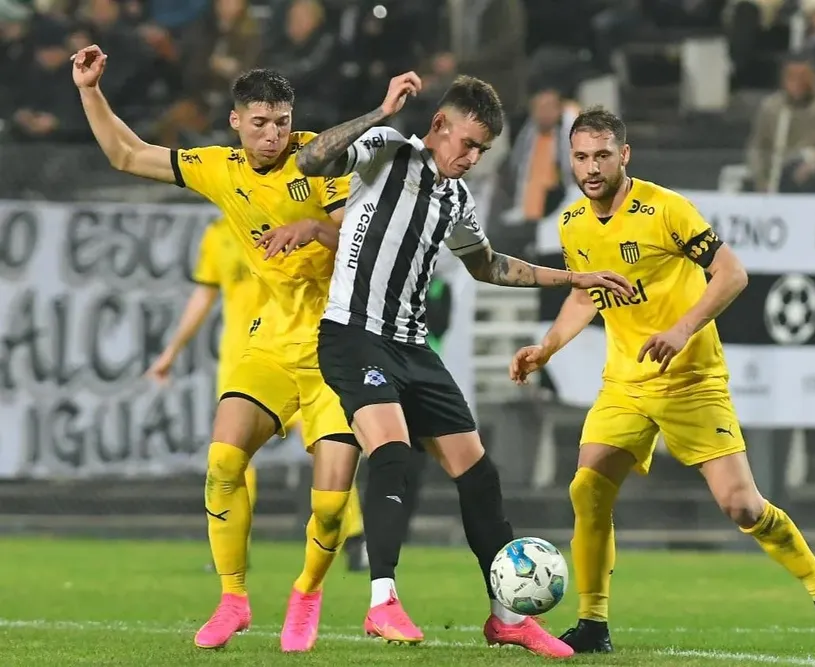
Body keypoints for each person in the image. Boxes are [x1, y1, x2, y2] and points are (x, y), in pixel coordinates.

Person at [258, 72, 631, 658]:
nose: (472, 156)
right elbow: (308, 160)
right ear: (439, 126)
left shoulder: (457, 199)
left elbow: (486, 265)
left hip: (411, 346)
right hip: (354, 336)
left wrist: (575, 276)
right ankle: (382, 599)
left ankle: (506, 616)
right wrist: (380, 110)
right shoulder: (388, 153)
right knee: (392, 451)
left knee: (479, 474)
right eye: (466, 142)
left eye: (482, 149)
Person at [508, 108, 815, 655]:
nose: (590, 167)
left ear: (623, 155)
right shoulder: (573, 224)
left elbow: (733, 273)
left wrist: (681, 329)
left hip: (691, 380)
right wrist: (547, 348)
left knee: (742, 507)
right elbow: (585, 293)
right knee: (587, 488)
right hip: (625, 384)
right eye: (581, 156)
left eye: (602, 155)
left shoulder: (665, 209)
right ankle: (593, 623)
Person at [72, 44, 364, 653]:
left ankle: (306, 592)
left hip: (338, 345)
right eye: (259, 122)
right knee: (223, 461)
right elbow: (128, 153)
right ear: (236, 121)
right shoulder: (219, 166)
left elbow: (366, 244)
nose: (273, 134)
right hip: (272, 343)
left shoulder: (322, 161)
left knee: (333, 504)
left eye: (282, 121)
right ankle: (233, 597)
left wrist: (316, 228)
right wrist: (90, 91)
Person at [144, 217, 366, 574]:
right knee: (233, 455)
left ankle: (354, 537)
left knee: (327, 447)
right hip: (242, 361)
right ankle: (234, 551)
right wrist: (171, 351)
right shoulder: (216, 234)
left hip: (295, 352)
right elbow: (205, 292)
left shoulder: (286, 221)